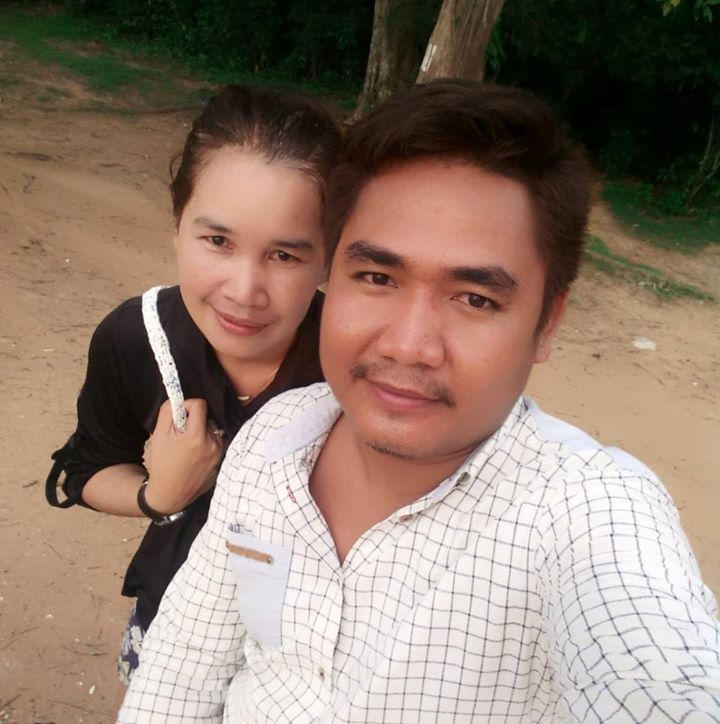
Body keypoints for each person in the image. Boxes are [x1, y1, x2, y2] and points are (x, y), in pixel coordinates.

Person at [119, 80, 720, 722]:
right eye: (378, 277)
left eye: (475, 299)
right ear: (332, 277)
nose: (409, 346)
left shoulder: (588, 516)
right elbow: (181, 667)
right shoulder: (273, 438)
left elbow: (663, 677)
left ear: (547, 322)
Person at [45, 84, 341, 683]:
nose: (244, 291)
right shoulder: (135, 338)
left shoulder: (351, 363)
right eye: (218, 241)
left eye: (285, 256)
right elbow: (90, 467)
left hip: (314, 650)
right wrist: (160, 495)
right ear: (177, 225)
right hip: (174, 622)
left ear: (327, 259)